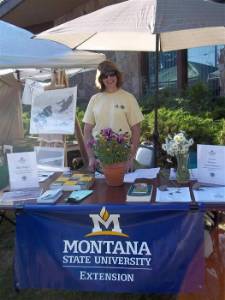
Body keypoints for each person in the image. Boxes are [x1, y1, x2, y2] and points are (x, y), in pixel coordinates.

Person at [83, 60, 144, 172]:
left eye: (112, 74)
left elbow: (136, 130)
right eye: (105, 76)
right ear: (100, 79)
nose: (109, 78)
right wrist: (91, 157)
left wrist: (131, 158)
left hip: (123, 158)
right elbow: (87, 131)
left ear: (117, 75)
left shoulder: (128, 98)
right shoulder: (94, 99)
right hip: (101, 158)